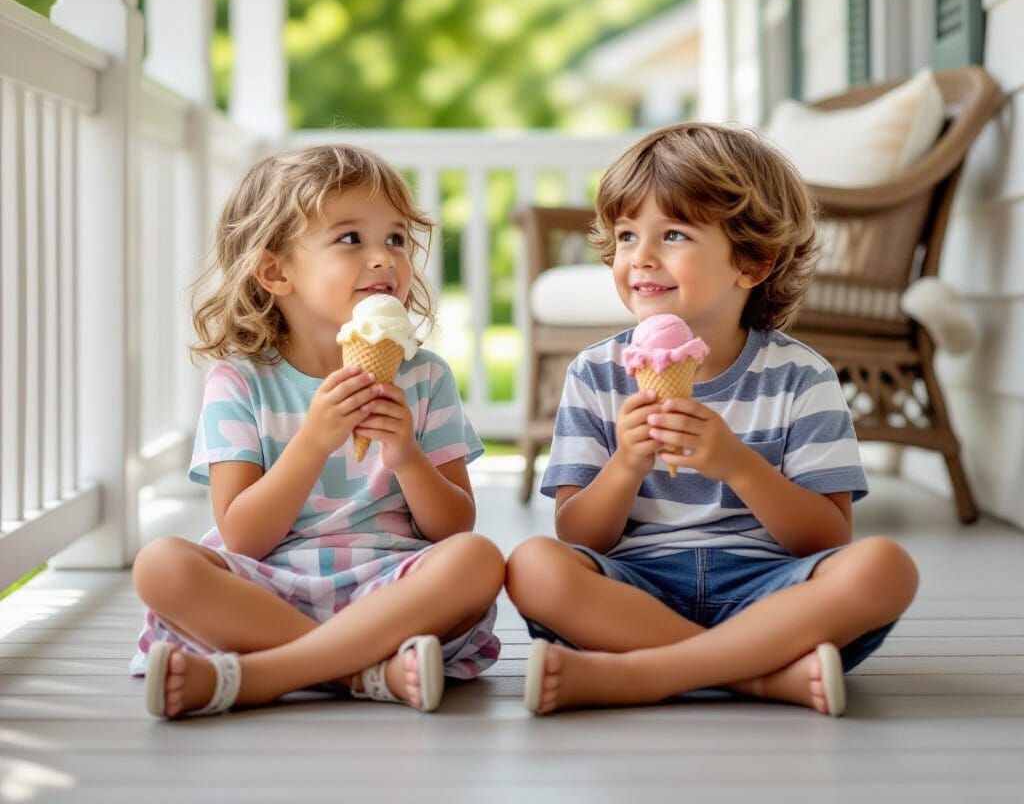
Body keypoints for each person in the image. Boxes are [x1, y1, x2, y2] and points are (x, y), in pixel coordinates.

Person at [504, 122, 918, 716]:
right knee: (533, 565)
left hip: (768, 593)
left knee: (885, 567)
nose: (640, 258)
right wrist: (625, 465)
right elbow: (579, 536)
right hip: (636, 590)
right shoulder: (595, 375)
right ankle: (760, 678)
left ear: (751, 262)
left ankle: (644, 674)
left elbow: (827, 538)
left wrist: (738, 465)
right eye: (625, 236)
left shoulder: (803, 378)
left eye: (672, 234)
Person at [132, 144, 504, 719]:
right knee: (160, 564)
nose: (384, 258)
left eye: (398, 239)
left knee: (476, 559)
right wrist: (311, 443)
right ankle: (363, 673)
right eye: (351, 238)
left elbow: (454, 526)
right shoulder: (240, 382)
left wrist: (405, 455)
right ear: (277, 271)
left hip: (391, 585)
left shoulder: (425, 377)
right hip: (267, 585)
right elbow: (242, 539)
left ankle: (260, 676)